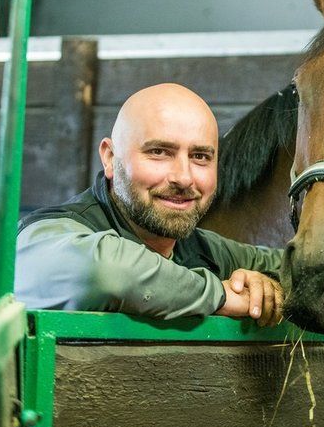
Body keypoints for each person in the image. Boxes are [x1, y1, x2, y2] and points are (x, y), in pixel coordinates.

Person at [15, 83, 284, 326]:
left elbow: (295, 266)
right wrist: (221, 295)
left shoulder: (206, 250)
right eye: (159, 152)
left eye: (200, 156)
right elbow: (105, 273)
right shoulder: (44, 235)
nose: (183, 177)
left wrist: (267, 286)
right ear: (110, 158)